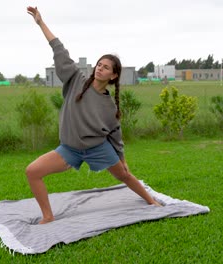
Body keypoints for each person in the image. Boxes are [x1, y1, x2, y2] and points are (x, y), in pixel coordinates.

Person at [26, 6, 161, 224]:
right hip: (70, 149)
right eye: (99, 64)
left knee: (124, 176)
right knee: (32, 171)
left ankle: (151, 201)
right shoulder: (76, 81)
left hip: (98, 148)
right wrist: (41, 23)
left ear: (113, 75)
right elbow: (60, 50)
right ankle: (48, 216)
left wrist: (123, 160)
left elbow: (116, 136)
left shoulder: (109, 106)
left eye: (106, 67)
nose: (100, 68)